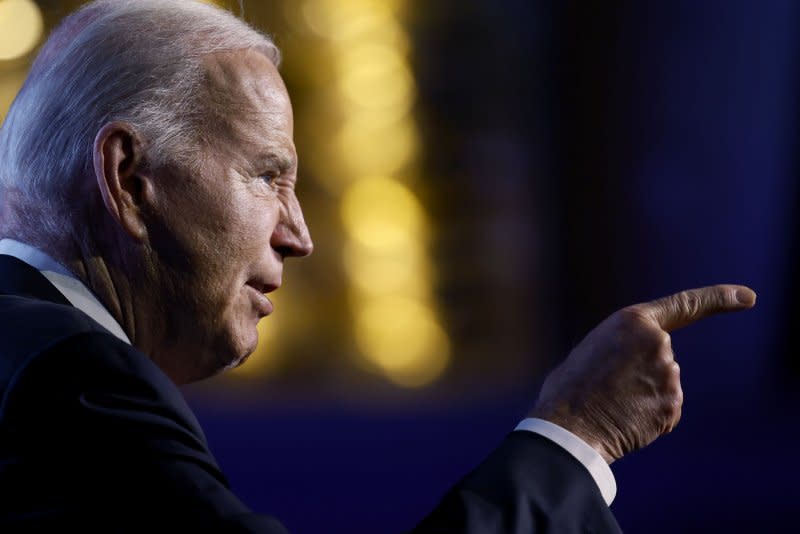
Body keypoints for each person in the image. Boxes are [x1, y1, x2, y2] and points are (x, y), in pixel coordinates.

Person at [0, 1, 755, 532]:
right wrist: (579, 432)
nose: (300, 235)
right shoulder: (70, 383)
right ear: (130, 178)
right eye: (268, 176)